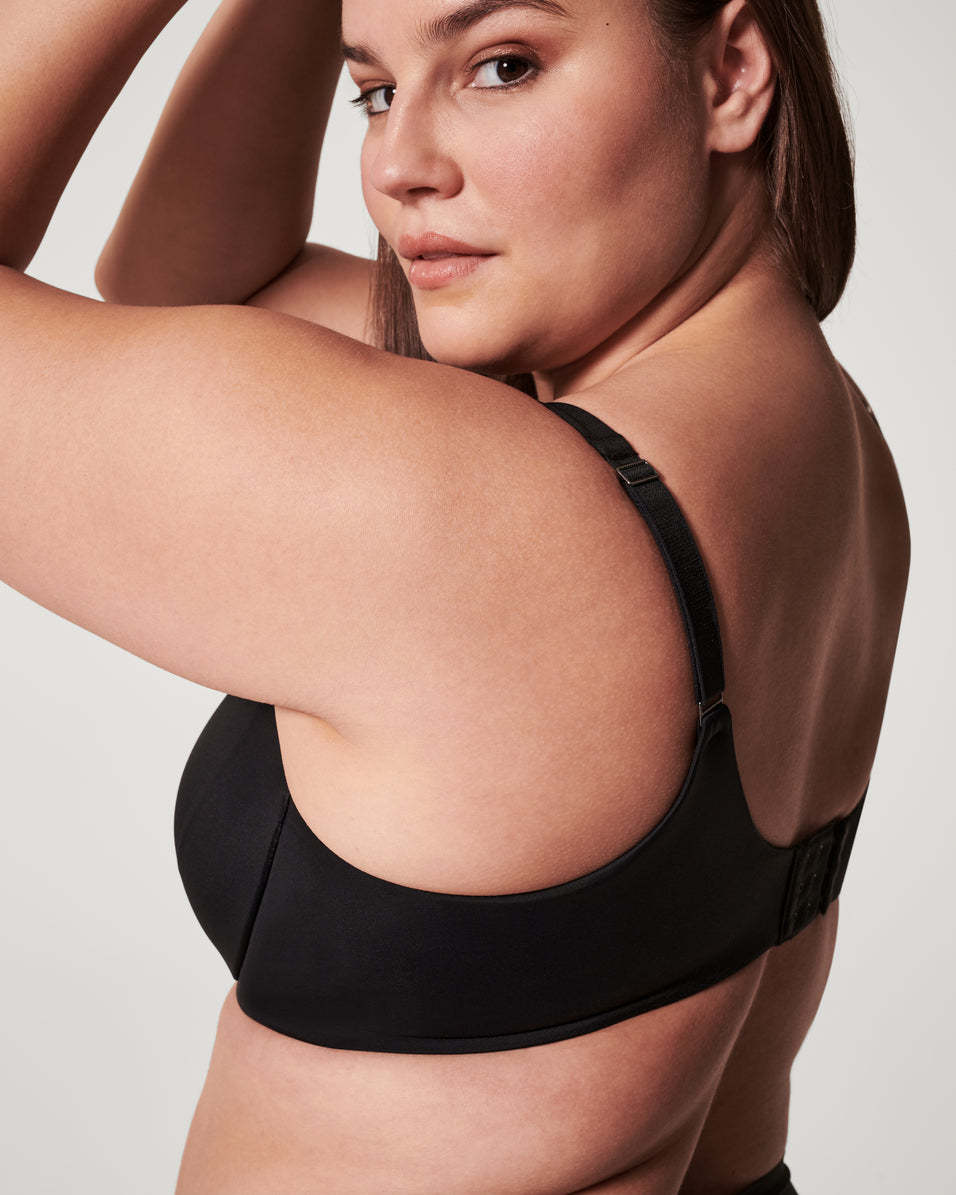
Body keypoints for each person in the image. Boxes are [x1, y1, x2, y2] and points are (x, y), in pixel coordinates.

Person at [0, 0, 909, 1190]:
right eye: (375, 92)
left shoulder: (484, 519)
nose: (395, 165)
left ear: (732, 72)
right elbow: (188, 277)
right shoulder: (818, 439)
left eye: (502, 66)